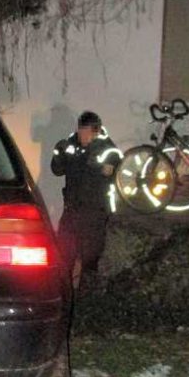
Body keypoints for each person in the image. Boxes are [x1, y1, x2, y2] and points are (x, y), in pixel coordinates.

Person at [51, 111, 121, 289]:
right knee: (64, 255)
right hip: (71, 209)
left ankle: (86, 298)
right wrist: (59, 153)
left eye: (87, 132)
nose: (83, 135)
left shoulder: (108, 150)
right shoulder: (71, 144)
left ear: (96, 131)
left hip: (94, 213)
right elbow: (57, 170)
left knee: (89, 259)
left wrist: (96, 164)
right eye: (81, 131)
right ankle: (62, 293)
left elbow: (111, 173)